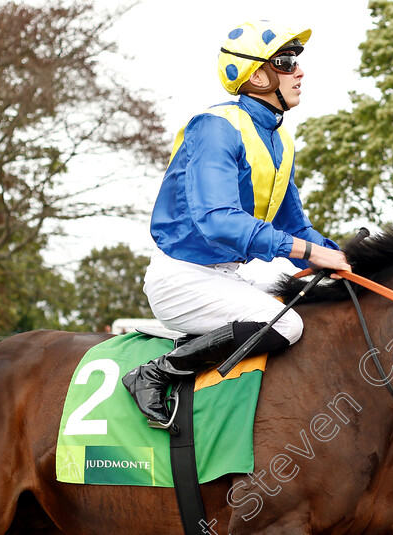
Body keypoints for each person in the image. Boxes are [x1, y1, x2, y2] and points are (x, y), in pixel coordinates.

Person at [122, 20, 351, 427]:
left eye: (297, 61)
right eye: (286, 62)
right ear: (257, 75)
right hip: (181, 278)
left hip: (226, 276)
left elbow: (295, 225)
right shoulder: (215, 127)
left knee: (312, 301)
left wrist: (337, 255)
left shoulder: (280, 141)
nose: (299, 71)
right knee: (291, 325)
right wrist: (307, 252)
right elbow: (218, 221)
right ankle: (155, 374)